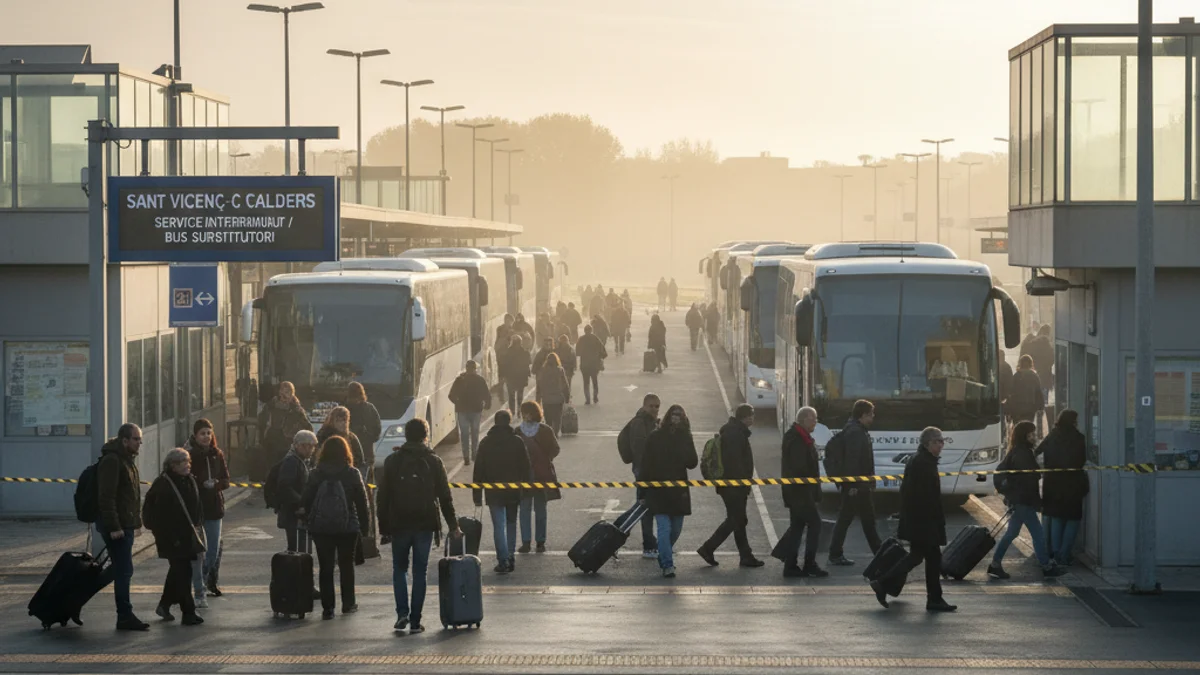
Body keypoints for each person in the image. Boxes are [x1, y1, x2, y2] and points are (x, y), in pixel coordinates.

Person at [378, 418, 461, 633]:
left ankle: (401, 614)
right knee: (420, 571)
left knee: (399, 569)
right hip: (424, 522)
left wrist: (383, 527)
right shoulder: (434, 461)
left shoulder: (392, 461)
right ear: (425, 435)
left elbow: (383, 497)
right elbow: (445, 496)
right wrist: (453, 525)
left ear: (406, 435)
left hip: (399, 522)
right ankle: (416, 620)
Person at [872, 426, 956, 612]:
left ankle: (883, 583)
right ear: (928, 443)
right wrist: (934, 520)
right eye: (938, 441)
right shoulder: (924, 463)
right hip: (924, 520)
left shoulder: (921, 460)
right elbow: (925, 496)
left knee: (916, 557)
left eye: (942, 441)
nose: (941, 445)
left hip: (918, 519)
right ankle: (933, 599)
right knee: (932, 559)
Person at [302, 435, 371, 620]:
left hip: (321, 528)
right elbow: (362, 503)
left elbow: (307, 500)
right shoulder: (352, 473)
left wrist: (311, 520)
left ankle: (328, 608)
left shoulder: (316, 473)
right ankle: (348, 604)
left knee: (326, 567)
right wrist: (365, 528)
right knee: (346, 566)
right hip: (348, 527)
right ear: (345, 452)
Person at [988, 421, 1067, 580]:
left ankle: (995, 564)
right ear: (1024, 435)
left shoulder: (1017, 451)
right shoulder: (1024, 453)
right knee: (1038, 534)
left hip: (1018, 501)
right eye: (1031, 434)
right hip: (1023, 501)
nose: (1034, 436)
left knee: (1011, 533)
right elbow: (1027, 481)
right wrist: (1036, 502)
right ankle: (1046, 566)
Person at [142, 448, 206, 626]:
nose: (187, 465)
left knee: (178, 573)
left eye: (188, 462)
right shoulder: (163, 485)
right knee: (183, 573)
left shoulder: (189, 480)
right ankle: (188, 612)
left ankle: (164, 604)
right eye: (182, 462)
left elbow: (197, 507)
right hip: (171, 539)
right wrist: (169, 537)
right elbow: (155, 517)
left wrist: (199, 527)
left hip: (188, 536)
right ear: (172, 466)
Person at [697, 404, 764, 568]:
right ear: (746, 417)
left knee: (738, 520)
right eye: (752, 415)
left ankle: (745, 556)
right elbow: (735, 463)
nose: (753, 418)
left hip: (732, 485)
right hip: (733, 486)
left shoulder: (734, 431)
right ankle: (708, 548)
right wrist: (741, 484)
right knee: (736, 519)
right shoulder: (735, 434)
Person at [97, 423, 149, 631]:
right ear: (124, 440)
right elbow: (106, 497)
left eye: (140, 439)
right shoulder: (112, 461)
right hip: (116, 527)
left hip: (125, 525)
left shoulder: (127, 461)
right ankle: (124, 616)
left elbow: (130, 497)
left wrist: (135, 524)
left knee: (120, 569)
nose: (139, 443)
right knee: (124, 570)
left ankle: (77, 596)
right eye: (136, 439)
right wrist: (114, 526)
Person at [640, 404, 698, 578]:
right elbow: (645, 466)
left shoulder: (685, 438)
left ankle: (663, 552)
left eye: (679, 416)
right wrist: (643, 492)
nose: (676, 418)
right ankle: (667, 563)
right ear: (668, 417)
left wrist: (685, 441)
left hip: (678, 491)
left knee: (676, 529)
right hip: (659, 491)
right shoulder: (655, 437)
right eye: (673, 415)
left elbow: (692, 462)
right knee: (664, 528)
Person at [472, 410, 532, 574]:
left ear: (495, 422)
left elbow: (479, 470)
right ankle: (511, 556)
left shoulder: (486, 442)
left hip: (493, 492)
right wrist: (526, 488)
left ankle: (503, 559)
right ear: (509, 421)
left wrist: (477, 495)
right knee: (511, 523)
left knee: (499, 526)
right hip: (513, 490)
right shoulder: (517, 441)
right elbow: (525, 467)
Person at [828, 400, 883, 566]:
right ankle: (836, 553)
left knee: (862, 520)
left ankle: (878, 552)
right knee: (855, 519)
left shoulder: (855, 430)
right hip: (857, 486)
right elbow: (852, 461)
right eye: (871, 414)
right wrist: (852, 485)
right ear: (864, 415)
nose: (873, 417)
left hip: (859, 484)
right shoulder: (856, 433)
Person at [776, 407, 828, 578]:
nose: (815, 422)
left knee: (797, 527)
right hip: (799, 493)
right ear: (804, 420)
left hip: (799, 492)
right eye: (813, 419)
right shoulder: (797, 439)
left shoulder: (801, 437)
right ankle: (809, 564)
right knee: (815, 524)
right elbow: (800, 468)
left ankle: (790, 565)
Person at [185, 419, 229, 607]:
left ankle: (203, 581)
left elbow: (226, 480)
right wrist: (200, 485)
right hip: (195, 508)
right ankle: (198, 589)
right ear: (195, 435)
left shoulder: (217, 454)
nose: (206, 437)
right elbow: (184, 479)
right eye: (202, 433)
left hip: (213, 508)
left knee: (212, 551)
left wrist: (216, 485)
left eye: (209, 433)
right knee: (196, 552)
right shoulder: (188, 455)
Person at [1038, 410, 1089, 566]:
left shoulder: (1052, 436)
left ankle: (1055, 552)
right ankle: (1064, 554)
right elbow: (1082, 459)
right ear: (1073, 421)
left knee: (1056, 517)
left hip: (1052, 483)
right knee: (1073, 519)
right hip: (1072, 483)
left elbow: (1037, 451)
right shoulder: (1079, 438)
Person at [516, 401, 561, 554]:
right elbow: (555, 449)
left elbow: (555, 449)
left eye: (527, 412)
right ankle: (527, 542)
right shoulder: (519, 431)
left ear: (534, 413)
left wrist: (544, 461)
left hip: (538, 476)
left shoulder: (541, 430)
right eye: (523, 412)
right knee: (525, 509)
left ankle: (539, 542)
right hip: (526, 477)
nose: (525, 415)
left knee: (538, 508)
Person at [624, 394, 661, 557]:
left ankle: (652, 542)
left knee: (647, 506)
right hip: (644, 471)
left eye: (657, 406)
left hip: (651, 470)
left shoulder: (652, 422)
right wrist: (645, 473)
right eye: (651, 406)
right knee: (644, 507)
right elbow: (640, 450)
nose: (654, 409)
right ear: (644, 406)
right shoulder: (639, 423)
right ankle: (648, 545)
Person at [276, 430, 316, 554]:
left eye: (312, 446)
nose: (309, 449)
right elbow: (285, 486)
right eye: (306, 446)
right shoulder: (291, 461)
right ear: (297, 445)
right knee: (295, 548)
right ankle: (296, 570)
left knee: (300, 548)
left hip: (297, 511)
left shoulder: (301, 460)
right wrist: (300, 503)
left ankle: (299, 569)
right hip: (292, 511)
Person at [449, 360, 492, 465]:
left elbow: (451, 395)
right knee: (474, 433)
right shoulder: (479, 380)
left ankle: (467, 457)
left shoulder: (460, 380)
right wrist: (486, 404)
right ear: (474, 369)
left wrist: (457, 403)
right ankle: (473, 455)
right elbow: (487, 394)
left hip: (463, 411)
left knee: (465, 434)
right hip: (475, 410)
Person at [258, 382, 312, 464]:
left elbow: (307, 426)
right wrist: (264, 433)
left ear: (292, 394)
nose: (283, 395)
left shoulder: (296, 409)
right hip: (271, 440)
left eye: (287, 392)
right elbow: (261, 419)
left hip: (287, 442)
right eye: (282, 392)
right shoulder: (271, 405)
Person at [317, 406, 367, 477]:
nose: (343, 423)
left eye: (345, 420)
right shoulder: (323, 435)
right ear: (332, 421)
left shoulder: (351, 437)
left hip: (347, 475)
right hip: (326, 475)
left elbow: (360, 460)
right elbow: (316, 457)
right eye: (338, 420)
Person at [344, 382, 382, 470]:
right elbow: (377, 431)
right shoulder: (369, 408)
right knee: (368, 480)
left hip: (347, 452)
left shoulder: (343, 408)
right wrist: (368, 436)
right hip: (366, 453)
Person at [536, 352, 571, 435]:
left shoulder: (542, 371)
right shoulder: (560, 370)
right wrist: (567, 397)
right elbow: (565, 385)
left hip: (546, 399)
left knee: (548, 418)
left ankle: (549, 433)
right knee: (557, 418)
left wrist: (538, 400)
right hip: (558, 399)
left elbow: (539, 386)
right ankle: (555, 433)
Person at [1028, 325, 1055, 434]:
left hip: (1034, 379)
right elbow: (1052, 360)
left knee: (1034, 404)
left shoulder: (1032, 344)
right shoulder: (1049, 347)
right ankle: (1040, 431)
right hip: (1045, 379)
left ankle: (1034, 429)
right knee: (1043, 403)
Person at [1007, 355, 1045, 425]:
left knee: (1017, 427)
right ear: (1031, 364)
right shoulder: (1034, 376)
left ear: (1020, 364)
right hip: (1030, 408)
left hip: (1017, 408)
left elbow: (1010, 393)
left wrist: (1009, 410)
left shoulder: (1016, 376)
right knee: (1028, 427)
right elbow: (1038, 392)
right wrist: (1041, 407)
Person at [576, 324, 608, 405]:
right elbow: (603, 351)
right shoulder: (595, 339)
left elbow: (578, 352)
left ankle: (587, 399)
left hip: (585, 365)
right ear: (591, 330)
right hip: (594, 364)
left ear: (584, 331)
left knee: (586, 382)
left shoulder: (581, 339)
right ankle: (595, 397)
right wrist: (599, 357)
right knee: (595, 381)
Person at [503, 334, 533, 413]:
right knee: (519, 396)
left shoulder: (508, 352)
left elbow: (504, 365)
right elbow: (529, 363)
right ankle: (519, 411)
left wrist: (504, 376)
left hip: (511, 378)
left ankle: (512, 412)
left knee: (511, 396)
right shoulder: (525, 352)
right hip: (521, 378)